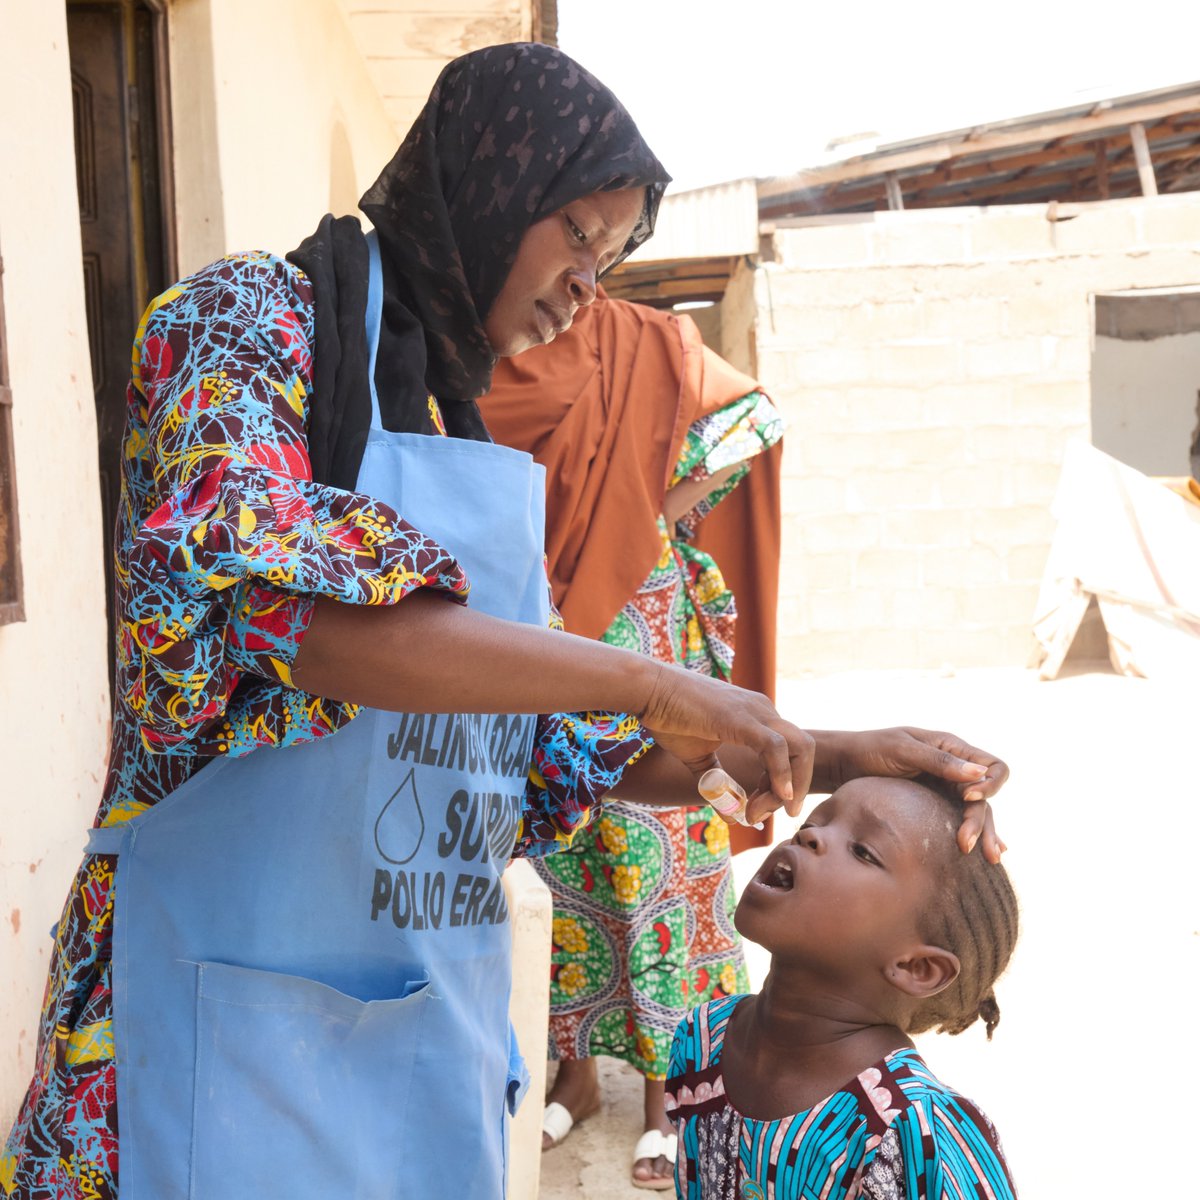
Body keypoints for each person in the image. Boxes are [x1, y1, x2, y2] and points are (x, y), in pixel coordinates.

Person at [1, 43, 1007, 1200]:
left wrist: (826, 753)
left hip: (412, 1032)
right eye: (579, 232)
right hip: (212, 1017)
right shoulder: (242, 328)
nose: (592, 282)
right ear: (486, 180)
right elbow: (301, 621)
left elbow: (539, 746)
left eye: (615, 254)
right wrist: (656, 684)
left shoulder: (461, 428)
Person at [480, 293, 785, 1189]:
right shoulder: (481, 347)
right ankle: (572, 1070)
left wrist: (651, 509)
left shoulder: (639, 343)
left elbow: (754, 414)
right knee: (562, 853)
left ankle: (664, 1096)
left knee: (666, 863)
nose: (578, 275)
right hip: (541, 626)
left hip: (648, 627)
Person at [665, 775, 1019, 1199]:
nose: (811, 836)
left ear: (917, 967)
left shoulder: (917, 1131)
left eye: (863, 851)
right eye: (815, 821)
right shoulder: (703, 1039)